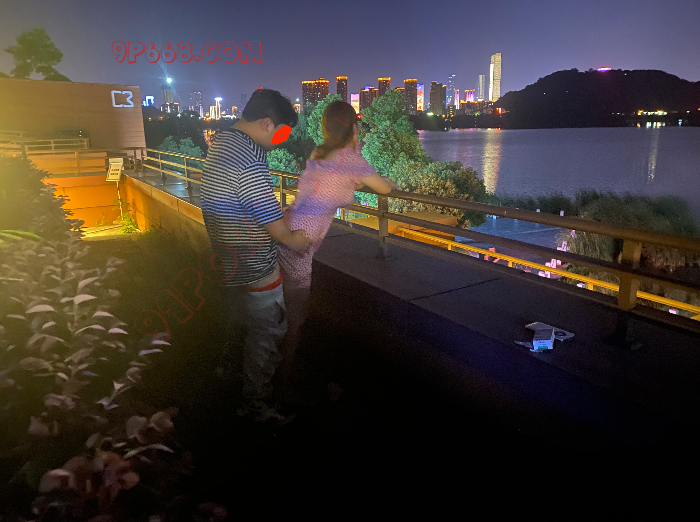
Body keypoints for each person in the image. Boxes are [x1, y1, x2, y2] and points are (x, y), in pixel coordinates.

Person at [200, 88, 311, 416]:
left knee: (239, 326)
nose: (280, 141)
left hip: (227, 259)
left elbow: (246, 202)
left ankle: (229, 377)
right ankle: (256, 404)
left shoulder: (222, 142)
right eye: (281, 133)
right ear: (266, 123)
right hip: (254, 266)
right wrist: (296, 240)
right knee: (266, 333)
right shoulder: (248, 158)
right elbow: (271, 221)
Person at [276, 100, 397, 397]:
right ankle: (280, 388)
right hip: (298, 248)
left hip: (283, 232)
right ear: (353, 128)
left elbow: (338, 181)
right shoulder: (351, 160)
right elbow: (383, 188)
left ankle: (261, 376)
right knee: (294, 321)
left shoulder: (320, 153)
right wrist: (387, 181)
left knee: (268, 313)